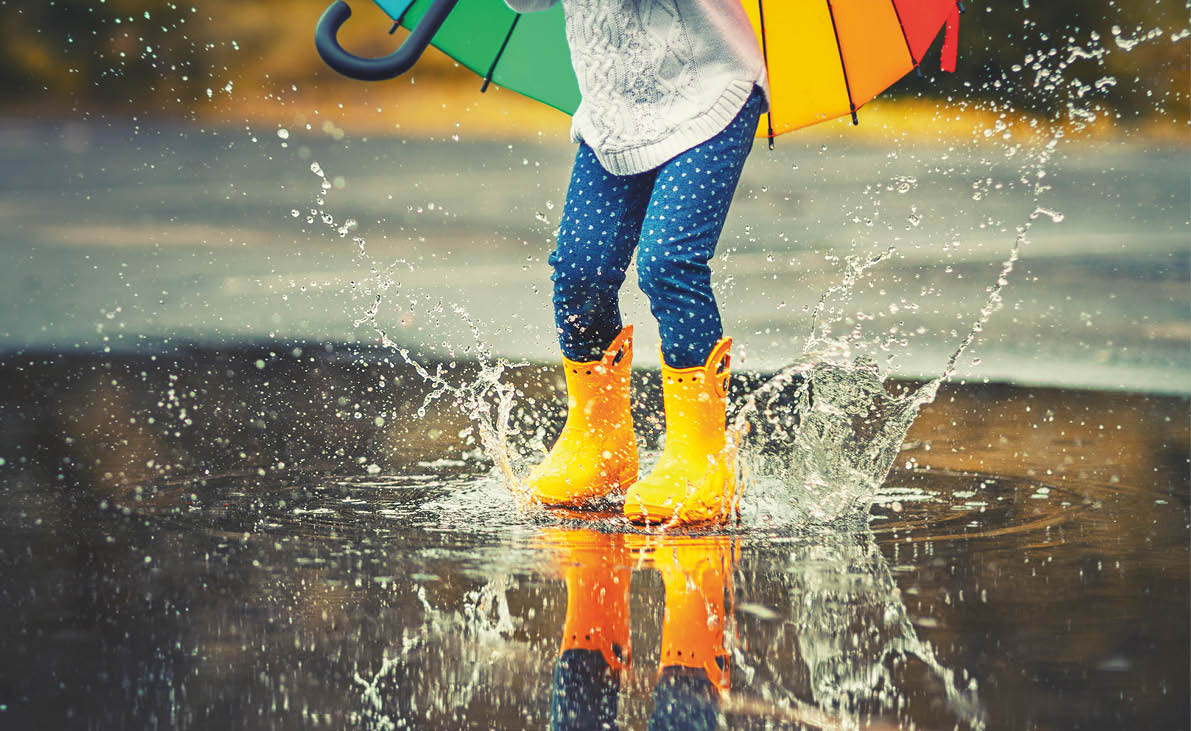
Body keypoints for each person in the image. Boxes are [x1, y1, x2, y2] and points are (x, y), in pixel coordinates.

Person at [505, 0, 769, 526]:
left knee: (669, 264)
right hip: (614, 115)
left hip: (708, 92)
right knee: (580, 272)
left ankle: (701, 456)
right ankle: (600, 444)